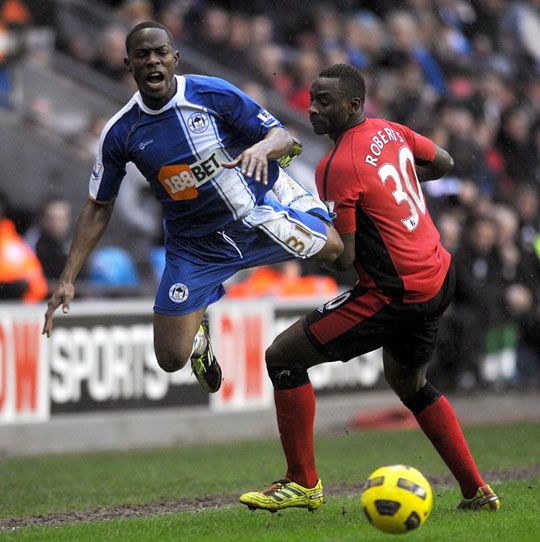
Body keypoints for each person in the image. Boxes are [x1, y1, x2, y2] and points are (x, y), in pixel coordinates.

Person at [240, 64, 500, 513]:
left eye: (324, 102)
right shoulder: (390, 130)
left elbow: (343, 257)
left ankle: (302, 482)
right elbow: (444, 162)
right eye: (312, 99)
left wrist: (288, 228)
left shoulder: (337, 166)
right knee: (410, 382)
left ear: (354, 105)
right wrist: (392, 192)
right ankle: (477, 490)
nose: (313, 109)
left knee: (282, 356)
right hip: (437, 276)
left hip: (393, 293)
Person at [42, 21, 343, 396]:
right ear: (128, 65)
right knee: (170, 357)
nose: (153, 61)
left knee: (339, 255)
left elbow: (283, 137)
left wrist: (262, 149)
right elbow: (98, 205)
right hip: (195, 247)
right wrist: (68, 278)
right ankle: (199, 337)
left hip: (256, 214)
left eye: (160, 53)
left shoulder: (212, 93)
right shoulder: (121, 132)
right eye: (142, 55)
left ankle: (297, 200)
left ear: (175, 58)